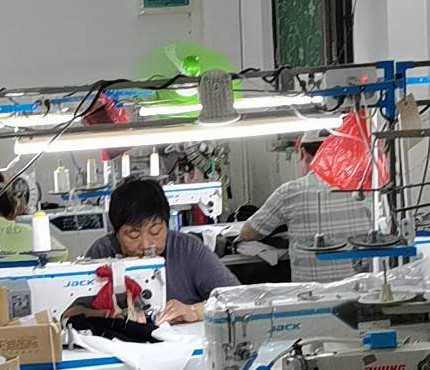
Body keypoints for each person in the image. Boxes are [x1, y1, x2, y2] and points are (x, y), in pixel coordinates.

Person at [85, 175, 237, 323]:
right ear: (116, 233)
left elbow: (237, 297)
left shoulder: (187, 249)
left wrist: (194, 311)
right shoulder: (102, 252)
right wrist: (109, 315)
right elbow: (74, 311)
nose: (146, 245)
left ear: (167, 225)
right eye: (133, 234)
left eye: (155, 231)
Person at [237, 135, 373, 284]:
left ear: (304, 154)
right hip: (361, 289)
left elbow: (248, 233)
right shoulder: (363, 188)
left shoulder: (290, 191)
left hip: (311, 293)